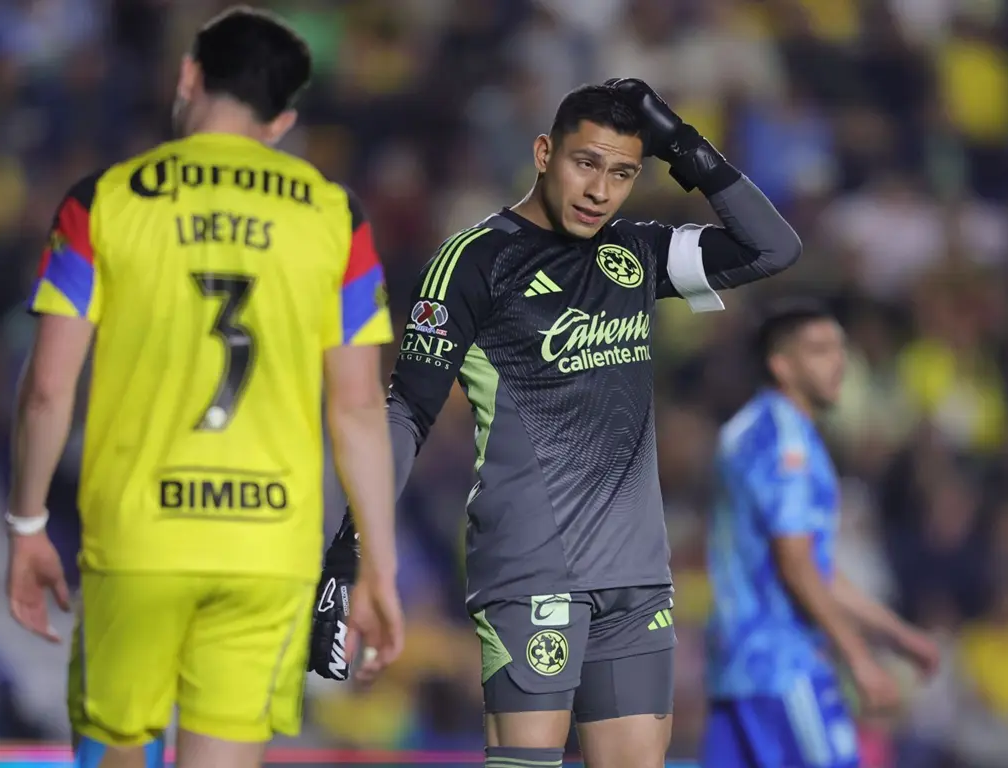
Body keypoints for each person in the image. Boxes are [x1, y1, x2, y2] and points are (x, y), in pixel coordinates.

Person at [308, 79, 802, 767]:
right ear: (544, 153)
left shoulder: (635, 253)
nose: (601, 190)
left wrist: (683, 145)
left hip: (636, 577)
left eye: (624, 172)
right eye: (586, 163)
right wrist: (349, 547)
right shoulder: (472, 262)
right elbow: (406, 413)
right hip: (532, 570)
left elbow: (773, 248)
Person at [3, 8, 404, 768]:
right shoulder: (335, 217)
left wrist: (26, 525)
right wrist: (377, 567)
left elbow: (48, 388)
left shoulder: (103, 202)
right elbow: (356, 406)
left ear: (188, 77)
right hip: (270, 543)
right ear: (282, 121)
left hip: (139, 535)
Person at [702, 300, 941, 768]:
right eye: (819, 349)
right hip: (783, 665)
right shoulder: (786, 443)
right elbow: (796, 566)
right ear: (782, 365)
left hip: (737, 665)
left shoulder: (749, 428)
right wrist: (860, 658)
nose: (839, 362)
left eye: (839, 348)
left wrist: (896, 635)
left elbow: (812, 565)